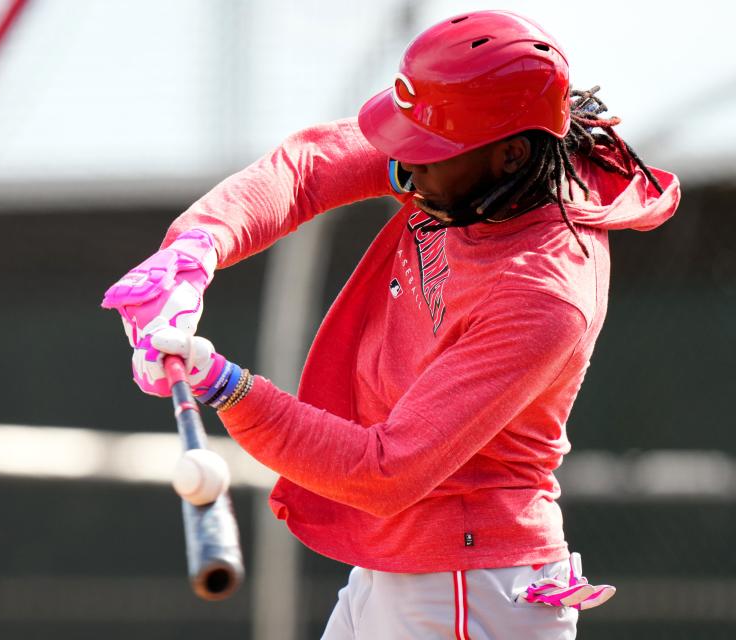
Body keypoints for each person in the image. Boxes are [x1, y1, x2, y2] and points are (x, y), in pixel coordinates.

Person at [102, 10, 680, 639]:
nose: (404, 161)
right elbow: (307, 170)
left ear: (511, 154)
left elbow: (387, 472)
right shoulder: (476, 173)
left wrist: (225, 386)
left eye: (428, 149)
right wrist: (196, 251)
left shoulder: (543, 292)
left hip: (469, 588)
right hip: (414, 571)